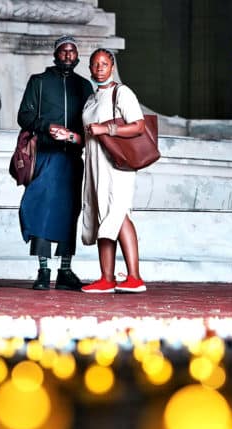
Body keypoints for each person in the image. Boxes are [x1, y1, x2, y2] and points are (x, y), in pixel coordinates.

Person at [17, 36, 94, 290]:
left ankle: (65, 271)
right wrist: (47, 126)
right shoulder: (39, 82)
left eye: (72, 51)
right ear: (56, 54)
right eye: (64, 51)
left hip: (71, 158)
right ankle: (43, 270)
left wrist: (73, 136)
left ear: (77, 56)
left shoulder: (84, 87)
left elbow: (89, 123)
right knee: (40, 210)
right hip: (45, 156)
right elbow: (24, 116)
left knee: (68, 213)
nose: (68, 55)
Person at [80, 48, 147, 293]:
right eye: (95, 64)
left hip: (116, 164)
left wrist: (107, 129)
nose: (99, 68)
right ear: (89, 68)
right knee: (102, 216)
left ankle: (134, 277)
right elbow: (90, 133)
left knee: (117, 213)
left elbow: (138, 126)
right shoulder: (91, 98)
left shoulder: (122, 92)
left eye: (104, 63)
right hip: (95, 164)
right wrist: (71, 136)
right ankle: (106, 278)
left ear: (112, 66)